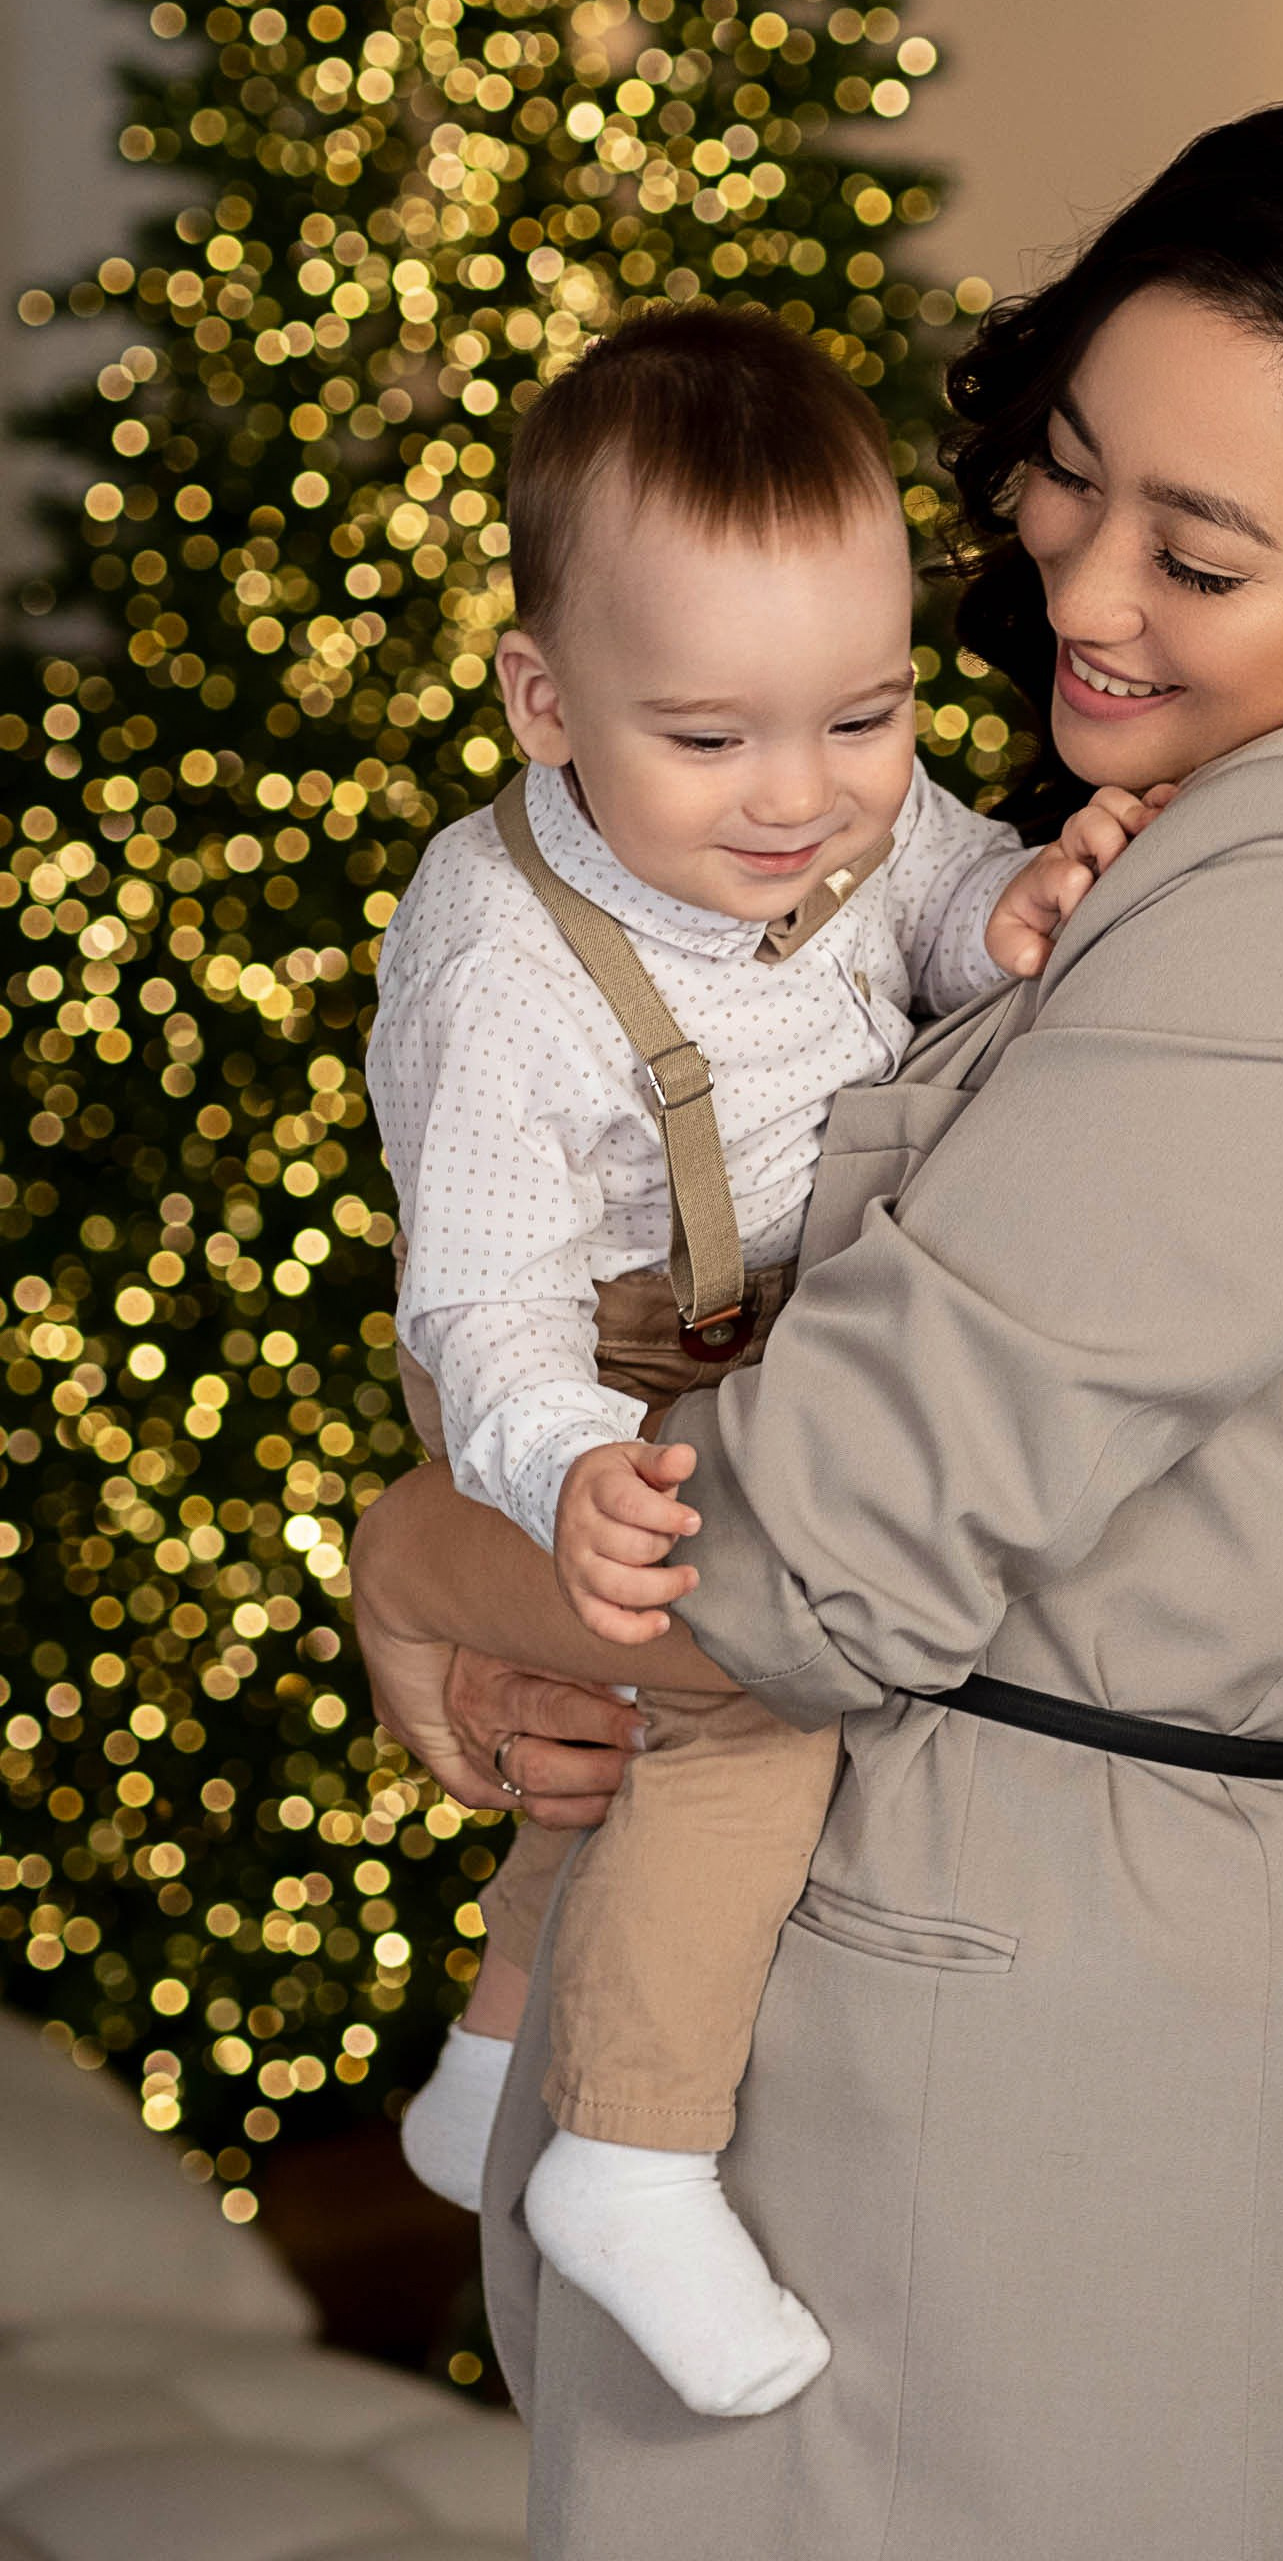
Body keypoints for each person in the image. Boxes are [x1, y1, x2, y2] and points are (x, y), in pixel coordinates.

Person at [353, 96, 1283, 2561]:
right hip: (996, 1983)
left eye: (1202, 547)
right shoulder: (1205, 833)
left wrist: (418, 1560)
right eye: (1068, 478)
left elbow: (814, 1561)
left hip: (1014, 2079)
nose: (1083, 593)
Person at [368, 305, 1167, 2418]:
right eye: (710, 740)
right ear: (544, 700)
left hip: (749, 1345)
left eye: (867, 718)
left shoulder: (847, 811)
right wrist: (559, 1469)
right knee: (733, 1693)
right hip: (562, 1363)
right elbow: (477, 1297)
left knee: (625, 1722)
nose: (799, 801)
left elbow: (924, 902)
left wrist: (1008, 909)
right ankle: (626, 2155)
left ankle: (486, 2068)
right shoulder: (498, 960)